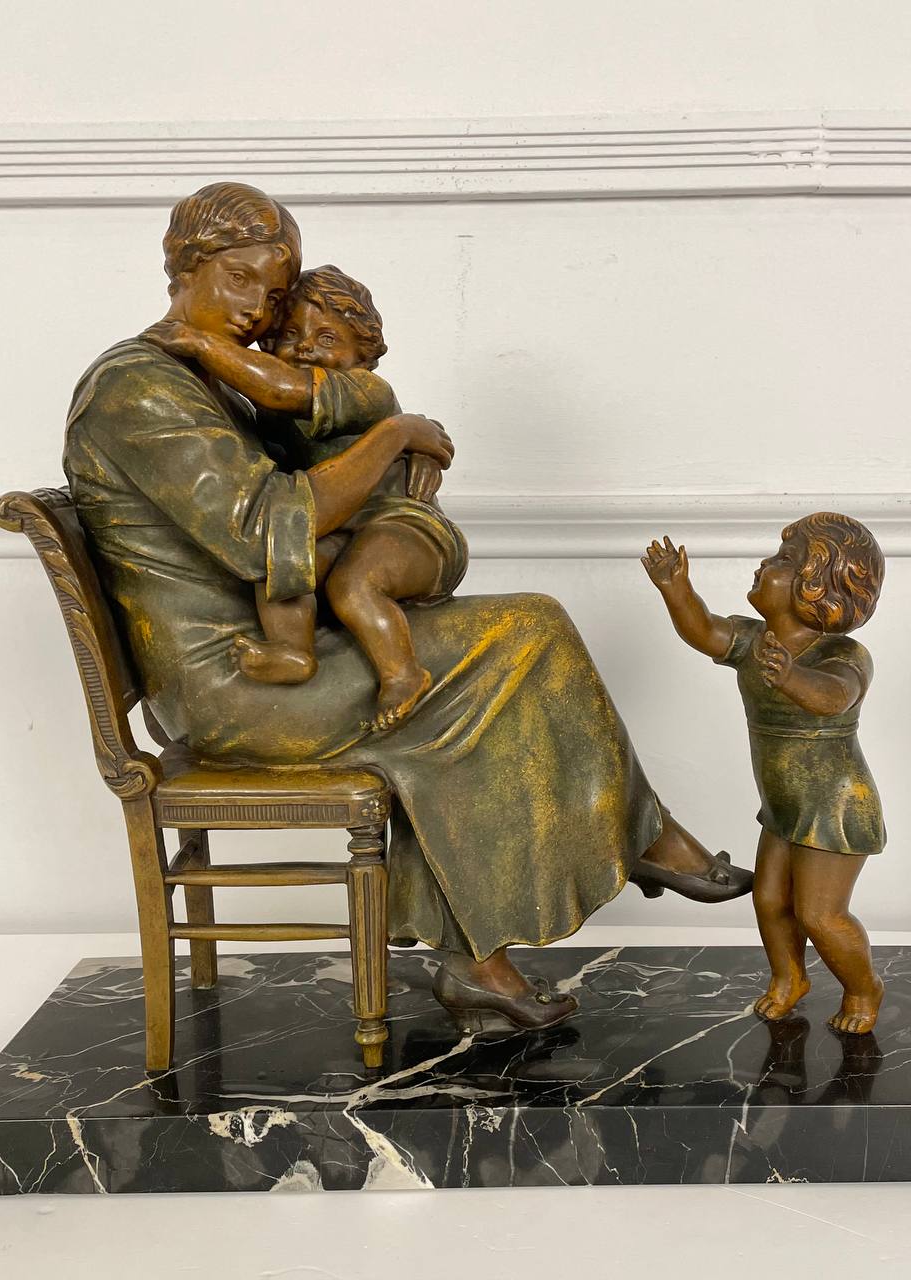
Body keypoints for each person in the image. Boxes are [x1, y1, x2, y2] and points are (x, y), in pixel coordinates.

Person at [64, 182, 752, 1036]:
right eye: (239, 280)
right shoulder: (138, 388)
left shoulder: (211, 381)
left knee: (505, 644)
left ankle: (493, 955)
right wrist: (395, 436)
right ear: (185, 265)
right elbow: (265, 530)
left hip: (283, 647)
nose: (256, 310)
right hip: (236, 684)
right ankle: (627, 845)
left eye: (273, 296)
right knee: (524, 633)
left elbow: (312, 473)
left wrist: (378, 457)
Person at [144, 265, 465, 733]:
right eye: (289, 334)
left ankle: (403, 675)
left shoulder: (366, 390)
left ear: (363, 353)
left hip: (406, 527)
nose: (305, 347)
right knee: (285, 561)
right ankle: (293, 650)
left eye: (327, 338)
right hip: (341, 530)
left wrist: (201, 343)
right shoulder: (271, 414)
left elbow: (282, 388)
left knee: (353, 585)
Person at [642, 513, 886, 1034]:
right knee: (770, 900)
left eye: (783, 560)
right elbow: (704, 630)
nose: (765, 564)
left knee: (820, 915)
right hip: (783, 805)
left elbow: (834, 696)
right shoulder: (754, 640)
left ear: (815, 584)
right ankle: (789, 978)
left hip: (835, 806)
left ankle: (864, 989)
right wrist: (675, 589)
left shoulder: (843, 654)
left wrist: (792, 677)